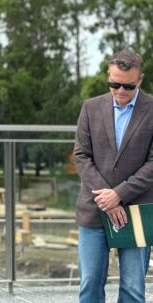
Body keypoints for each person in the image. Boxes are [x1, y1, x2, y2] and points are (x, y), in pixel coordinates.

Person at [74, 49, 153, 303]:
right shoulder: (90, 108)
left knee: (132, 289)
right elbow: (81, 156)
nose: (120, 91)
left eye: (127, 86)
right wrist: (106, 198)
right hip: (94, 209)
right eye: (114, 84)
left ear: (139, 80)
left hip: (137, 210)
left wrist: (118, 194)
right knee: (89, 285)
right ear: (108, 76)